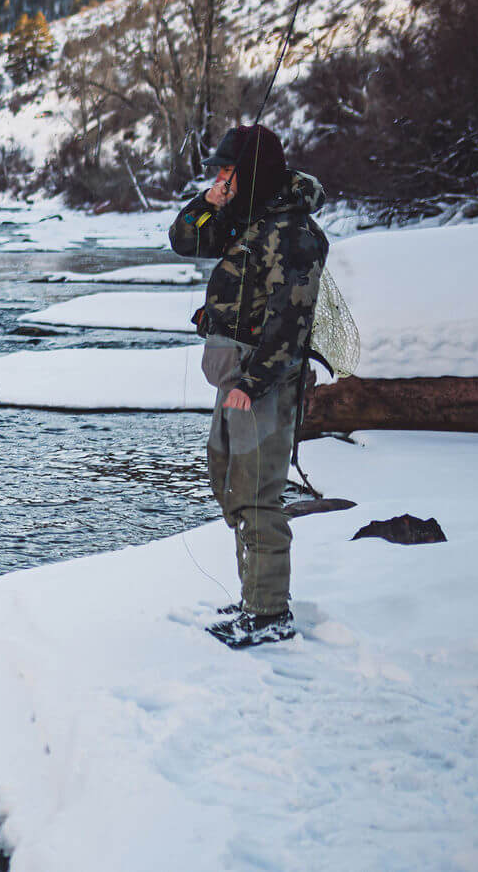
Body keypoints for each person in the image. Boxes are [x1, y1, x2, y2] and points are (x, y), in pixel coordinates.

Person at [169, 124, 328, 648]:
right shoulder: (243, 216)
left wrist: (255, 383)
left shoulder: (294, 233)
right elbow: (185, 240)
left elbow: (292, 321)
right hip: (230, 372)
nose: (219, 178)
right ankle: (253, 598)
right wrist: (208, 199)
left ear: (253, 173)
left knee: (257, 492)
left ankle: (268, 613)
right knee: (227, 478)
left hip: (262, 380)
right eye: (218, 172)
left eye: (227, 171)